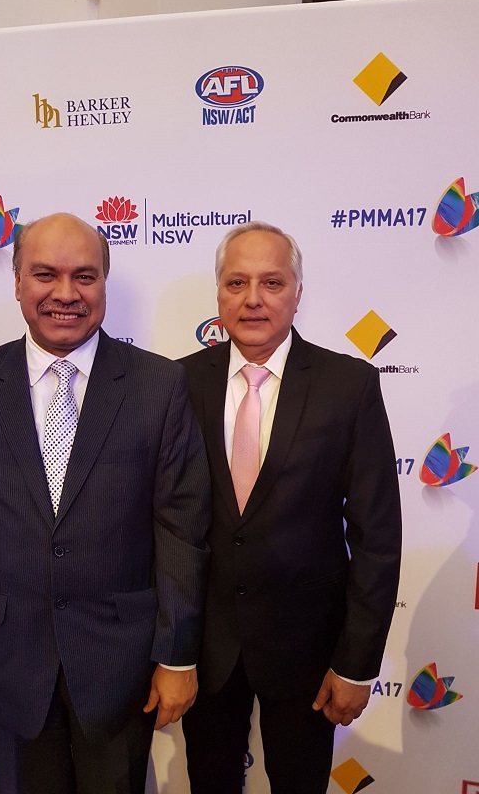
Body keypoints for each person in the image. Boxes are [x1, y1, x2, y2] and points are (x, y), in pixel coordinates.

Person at [0, 213, 210, 794]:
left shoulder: (158, 384)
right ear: (17, 282)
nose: (66, 293)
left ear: (104, 283)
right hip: (7, 660)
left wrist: (177, 657)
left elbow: (181, 530)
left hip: (120, 664)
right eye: (45, 274)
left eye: (84, 276)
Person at [180, 222, 401, 794]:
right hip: (204, 649)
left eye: (272, 282)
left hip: (308, 652)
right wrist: (167, 651)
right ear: (219, 294)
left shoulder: (348, 385)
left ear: (298, 292)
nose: (252, 298)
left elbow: (377, 536)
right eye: (237, 283)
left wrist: (356, 663)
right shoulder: (178, 381)